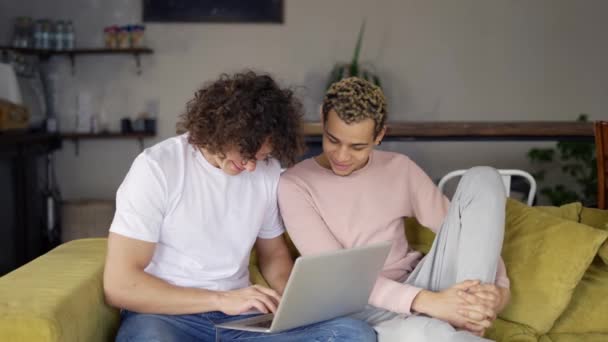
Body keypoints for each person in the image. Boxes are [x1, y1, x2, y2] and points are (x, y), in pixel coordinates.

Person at [103, 71, 377, 342]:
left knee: (353, 334)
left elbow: (273, 257)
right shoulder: (157, 168)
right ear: (220, 130)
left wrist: (296, 306)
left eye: (263, 156)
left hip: (240, 320)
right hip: (165, 316)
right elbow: (120, 286)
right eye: (246, 153)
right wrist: (222, 299)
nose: (251, 166)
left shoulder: (266, 172)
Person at [278, 77, 511, 342]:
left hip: (420, 283)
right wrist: (429, 302)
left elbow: (469, 234)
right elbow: (341, 279)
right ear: (322, 118)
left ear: (379, 135)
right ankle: (464, 324)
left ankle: (471, 315)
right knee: (433, 333)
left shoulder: (400, 168)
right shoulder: (294, 185)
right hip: (359, 309)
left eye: (357, 147)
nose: (341, 156)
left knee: (484, 178)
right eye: (333, 140)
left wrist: (500, 293)